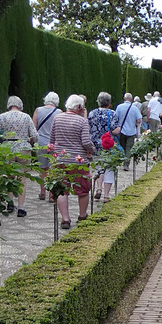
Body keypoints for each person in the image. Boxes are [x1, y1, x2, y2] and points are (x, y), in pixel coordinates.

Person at [49, 94, 95, 228]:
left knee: (62, 189)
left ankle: (65, 219)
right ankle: (82, 216)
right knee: (83, 189)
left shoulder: (57, 118)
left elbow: (52, 140)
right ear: (79, 107)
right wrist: (92, 150)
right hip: (78, 160)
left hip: (60, 159)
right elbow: (86, 141)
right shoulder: (82, 121)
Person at [0, 96, 38, 216]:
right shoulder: (26, 117)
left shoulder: (2, 116)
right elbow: (34, 135)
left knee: (9, 176)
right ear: (20, 105)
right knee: (22, 178)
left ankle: (10, 203)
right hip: (23, 147)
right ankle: (21, 208)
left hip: (7, 148)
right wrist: (30, 141)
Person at [88, 91, 118, 202]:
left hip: (95, 145)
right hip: (109, 145)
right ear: (109, 103)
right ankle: (106, 195)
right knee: (109, 169)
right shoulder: (113, 114)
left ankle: (99, 188)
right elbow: (115, 130)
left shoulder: (92, 113)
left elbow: (88, 129)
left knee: (98, 167)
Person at [31, 92, 61, 200]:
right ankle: (52, 194)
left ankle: (42, 192)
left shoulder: (38, 110)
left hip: (41, 142)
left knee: (42, 168)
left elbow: (33, 127)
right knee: (52, 168)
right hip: (54, 143)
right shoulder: (59, 112)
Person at [114, 92, 140, 157]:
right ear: (131, 100)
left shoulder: (119, 107)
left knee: (122, 147)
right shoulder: (135, 108)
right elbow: (139, 121)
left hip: (121, 131)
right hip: (131, 131)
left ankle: (121, 160)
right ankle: (126, 164)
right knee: (129, 149)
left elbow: (115, 119)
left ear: (124, 99)